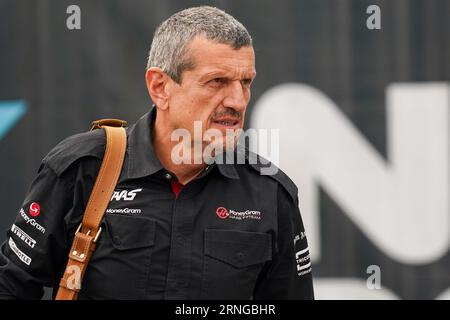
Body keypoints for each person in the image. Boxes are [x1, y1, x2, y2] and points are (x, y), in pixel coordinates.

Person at [0, 6, 314, 300]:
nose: (237, 100)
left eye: (245, 82)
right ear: (160, 87)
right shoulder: (82, 168)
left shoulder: (270, 193)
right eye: (217, 81)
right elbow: (10, 287)